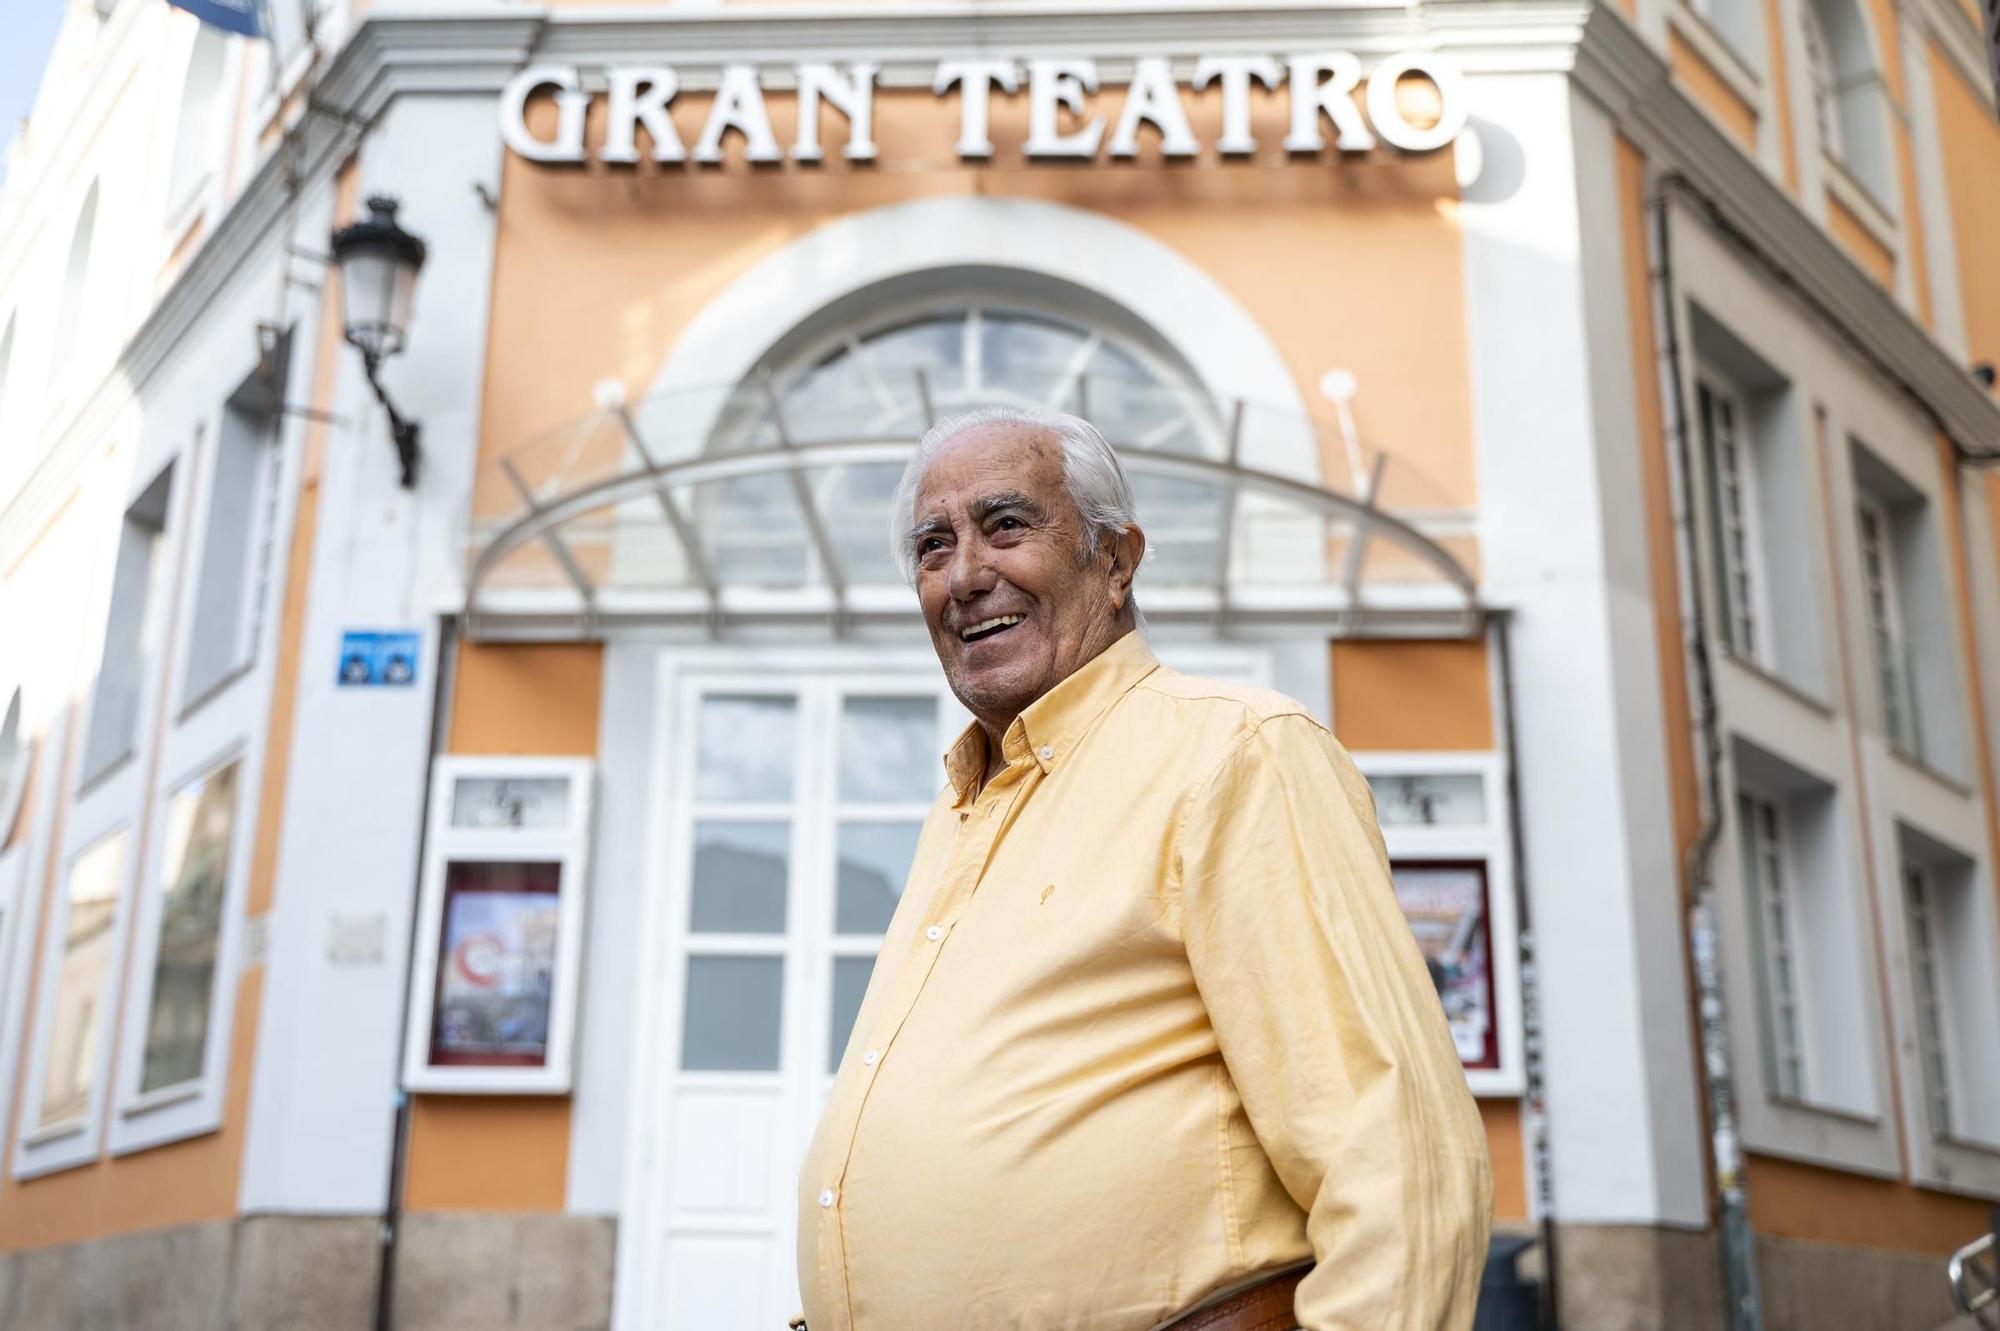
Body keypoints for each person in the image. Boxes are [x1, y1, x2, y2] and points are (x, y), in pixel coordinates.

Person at [794, 406, 1491, 1331]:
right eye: (932, 545)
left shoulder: (1236, 752)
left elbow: (1397, 1155)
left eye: (1006, 525)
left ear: (1117, 561)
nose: (965, 575)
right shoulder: (958, 808)